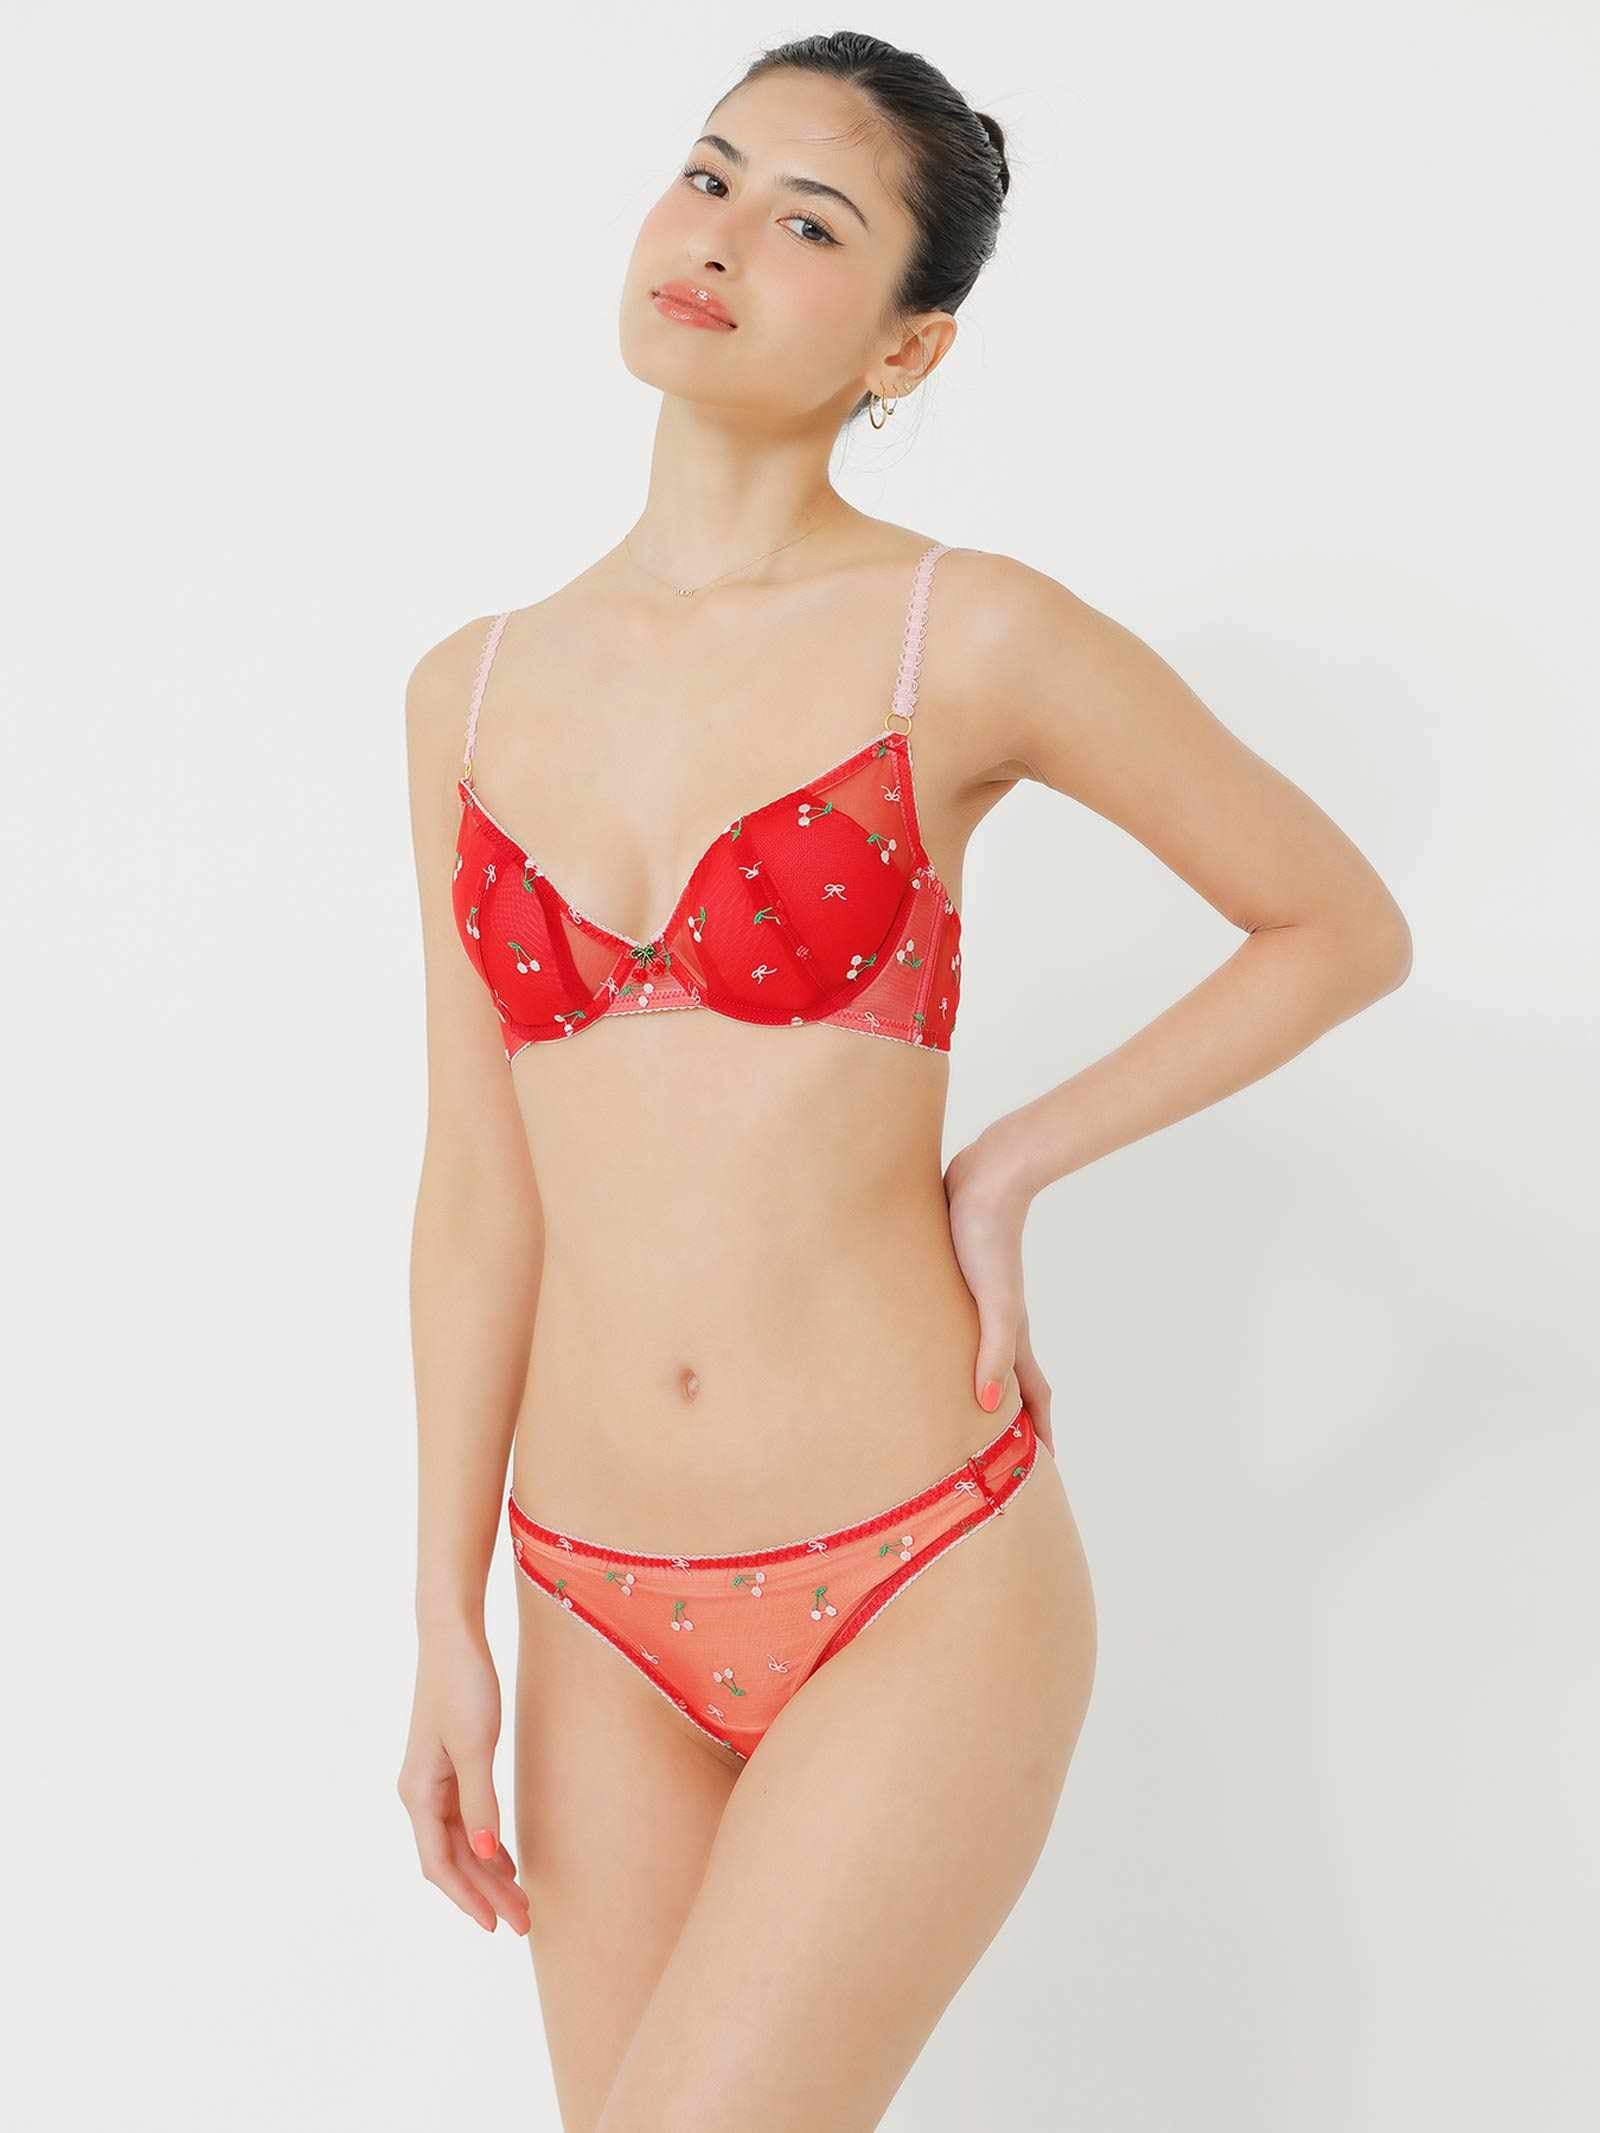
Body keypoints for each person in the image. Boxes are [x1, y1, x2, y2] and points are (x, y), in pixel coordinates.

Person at [396, 32, 1412, 2132]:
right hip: (586, 1606)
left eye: (807, 222)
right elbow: (479, 1186)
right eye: (707, 175)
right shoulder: (468, 689)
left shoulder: (962, 637)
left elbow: (1333, 922)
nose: (717, 239)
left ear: (904, 343)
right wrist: (445, 1618)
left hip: (911, 1575)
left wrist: (1008, 1164)